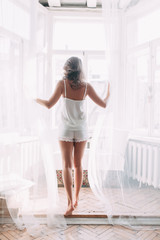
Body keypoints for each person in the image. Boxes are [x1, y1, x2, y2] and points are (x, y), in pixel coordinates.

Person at [35, 56, 110, 216]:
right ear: (80, 69)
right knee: (78, 165)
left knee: (67, 165)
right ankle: (76, 199)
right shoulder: (86, 86)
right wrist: (109, 90)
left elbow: (48, 104)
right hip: (82, 130)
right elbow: (103, 104)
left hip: (66, 130)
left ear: (67, 68)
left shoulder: (62, 84)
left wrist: (35, 99)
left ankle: (69, 203)